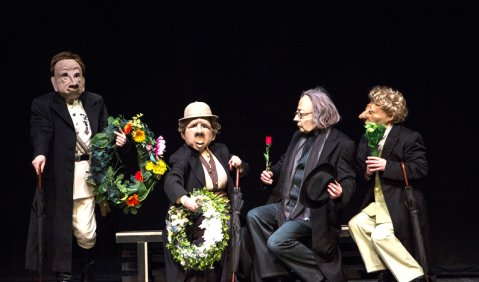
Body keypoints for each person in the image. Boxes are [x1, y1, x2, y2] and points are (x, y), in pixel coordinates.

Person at [25, 51, 127, 282]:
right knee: (59, 231)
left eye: (77, 75)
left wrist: (117, 140)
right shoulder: (44, 104)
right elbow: (41, 130)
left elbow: (104, 133)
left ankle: (87, 274)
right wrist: (40, 153)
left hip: (87, 175)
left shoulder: (95, 101)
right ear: (54, 81)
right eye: (65, 76)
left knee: (86, 231)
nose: (73, 81)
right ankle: (64, 277)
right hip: (59, 177)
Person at [246, 87, 356, 282]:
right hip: (288, 204)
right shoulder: (298, 137)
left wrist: (340, 192)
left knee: (277, 242)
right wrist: (272, 173)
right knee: (254, 216)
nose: (295, 119)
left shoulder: (341, 143)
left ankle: (319, 276)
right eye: (297, 113)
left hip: (313, 213)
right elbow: (284, 162)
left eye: (301, 114)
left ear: (319, 114)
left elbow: (348, 179)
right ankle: (275, 272)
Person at [348, 85, 431, 282]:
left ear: (389, 117)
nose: (364, 115)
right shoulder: (367, 138)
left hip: (398, 203)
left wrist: (387, 166)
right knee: (356, 224)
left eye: (372, 112)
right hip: (378, 204)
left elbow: (420, 168)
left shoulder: (408, 137)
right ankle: (384, 269)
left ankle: (414, 276)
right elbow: (360, 173)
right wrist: (366, 173)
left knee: (380, 236)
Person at [163, 101, 248, 282]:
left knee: (233, 229)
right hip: (198, 216)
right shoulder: (181, 155)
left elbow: (243, 169)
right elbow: (172, 180)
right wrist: (183, 198)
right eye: (193, 126)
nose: (200, 130)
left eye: (205, 126)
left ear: (213, 133)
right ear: (184, 133)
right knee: (212, 233)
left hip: (228, 213)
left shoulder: (221, 150)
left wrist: (239, 165)